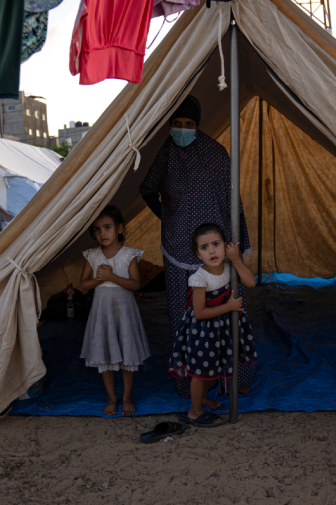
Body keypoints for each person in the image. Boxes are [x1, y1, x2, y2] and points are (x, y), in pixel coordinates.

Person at [139, 95, 254, 399]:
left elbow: (233, 199)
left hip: (216, 249)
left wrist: (237, 244)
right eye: (177, 124)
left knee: (230, 313)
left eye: (188, 124)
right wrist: (166, 215)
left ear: (197, 125)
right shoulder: (165, 154)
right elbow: (147, 188)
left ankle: (235, 377)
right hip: (178, 249)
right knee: (184, 316)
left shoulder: (215, 153)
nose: (182, 129)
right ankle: (191, 383)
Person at [168, 223, 257, 427]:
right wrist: (228, 307)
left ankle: (203, 399)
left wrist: (236, 259)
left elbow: (251, 282)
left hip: (221, 328)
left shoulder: (228, 265)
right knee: (201, 372)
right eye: (204, 247)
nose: (212, 251)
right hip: (203, 331)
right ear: (198, 254)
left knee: (212, 368)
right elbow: (199, 313)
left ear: (225, 246)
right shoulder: (199, 278)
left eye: (216, 244)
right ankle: (194, 411)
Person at [79, 205, 151, 416]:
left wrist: (111, 278)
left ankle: (127, 396)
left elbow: (135, 285)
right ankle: (111, 397)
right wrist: (98, 279)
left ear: (119, 228)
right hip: (102, 313)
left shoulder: (129, 254)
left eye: (107, 227)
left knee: (128, 354)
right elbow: (83, 284)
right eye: (97, 229)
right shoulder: (91, 255)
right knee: (105, 355)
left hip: (124, 313)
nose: (102, 233)